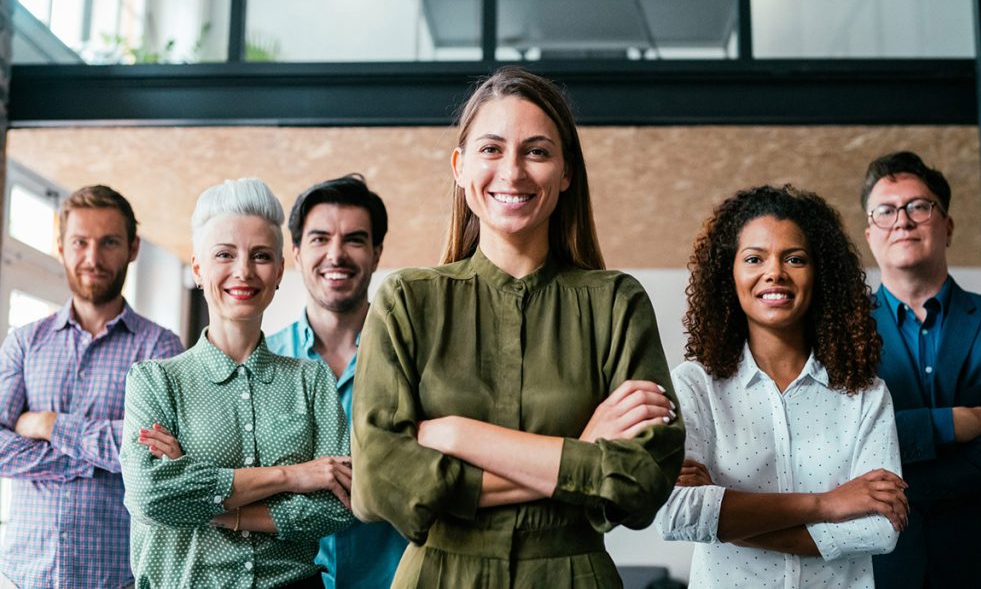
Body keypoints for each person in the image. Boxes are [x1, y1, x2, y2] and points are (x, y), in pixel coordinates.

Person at [351, 66, 686, 587]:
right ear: (460, 167)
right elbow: (379, 484)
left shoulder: (617, 302)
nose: (512, 172)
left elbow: (643, 480)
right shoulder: (406, 301)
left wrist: (458, 435)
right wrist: (582, 452)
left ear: (566, 172)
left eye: (537, 151)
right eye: (491, 149)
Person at [657, 185, 907, 589]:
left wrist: (720, 516)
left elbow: (879, 529)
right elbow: (676, 515)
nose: (774, 272)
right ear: (730, 274)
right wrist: (827, 504)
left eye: (795, 258)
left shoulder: (865, 394)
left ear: (819, 274)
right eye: (754, 258)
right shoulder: (694, 385)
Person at [119, 178, 356, 588]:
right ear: (198, 268)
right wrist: (295, 476)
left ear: (280, 271)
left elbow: (339, 506)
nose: (243, 271)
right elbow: (151, 496)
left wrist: (207, 502)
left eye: (261, 256)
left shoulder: (311, 379)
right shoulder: (155, 382)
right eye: (224, 254)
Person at [0, 185, 183, 589]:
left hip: (117, 578)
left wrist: (50, 425)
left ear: (133, 247)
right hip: (26, 576)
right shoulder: (24, 343)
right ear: (61, 246)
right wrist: (99, 461)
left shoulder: (160, 348)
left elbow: (157, 454)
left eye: (109, 242)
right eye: (80, 242)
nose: (93, 258)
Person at [860, 151, 981, 588]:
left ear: (947, 226)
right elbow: (837, 445)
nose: (903, 221)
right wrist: (951, 424)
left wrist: (896, 483)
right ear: (870, 233)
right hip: (881, 568)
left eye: (919, 206)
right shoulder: (840, 333)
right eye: (886, 211)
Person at [268, 175, 407, 589]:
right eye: (320, 238)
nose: (336, 254)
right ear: (295, 252)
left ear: (377, 252)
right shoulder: (261, 362)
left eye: (354, 240)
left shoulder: (413, 361)